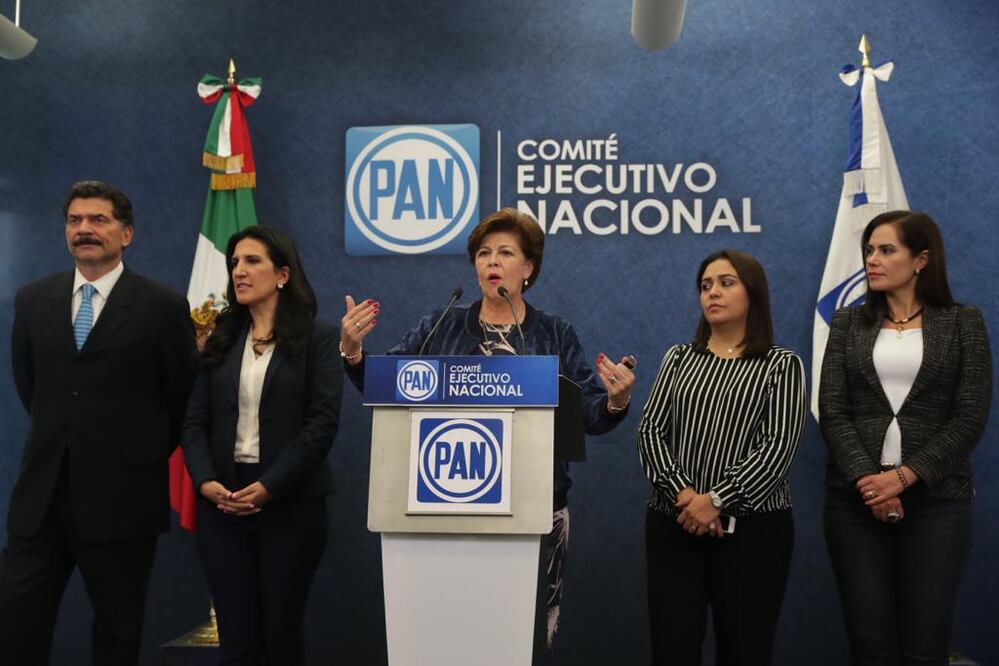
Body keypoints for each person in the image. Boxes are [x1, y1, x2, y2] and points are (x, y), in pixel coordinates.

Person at [339, 207, 635, 659]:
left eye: (505, 253)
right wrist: (354, 352)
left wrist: (615, 400)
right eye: (483, 253)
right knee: (449, 640)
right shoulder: (440, 325)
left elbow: (589, 414)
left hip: (535, 511)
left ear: (528, 267)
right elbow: (385, 382)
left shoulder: (554, 333)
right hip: (442, 511)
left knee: (520, 644)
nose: (492, 261)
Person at [0, 180, 198, 665]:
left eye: (98, 219)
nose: (84, 229)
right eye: (75, 220)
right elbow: (31, 386)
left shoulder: (162, 307)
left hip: (122, 503)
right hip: (41, 500)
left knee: (117, 634)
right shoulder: (33, 300)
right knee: (16, 628)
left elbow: (180, 400)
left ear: (126, 234)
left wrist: (129, 453)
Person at [819, 210, 992, 666]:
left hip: (937, 503)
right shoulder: (847, 323)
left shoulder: (963, 322)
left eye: (886, 250)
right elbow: (833, 409)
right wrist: (870, 482)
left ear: (921, 259)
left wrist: (904, 477)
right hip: (855, 503)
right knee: (870, 647)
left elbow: (970, 416)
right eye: (869, 251)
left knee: (924, 647)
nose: (872, 260)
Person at [181, 225, 342, 665]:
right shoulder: (219, 338)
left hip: (290, 504)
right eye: (234, 262)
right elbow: (193, 422)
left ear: (283, 274)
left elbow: (321, 424)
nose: (239, 271)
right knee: (237, 640)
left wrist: (271, 486)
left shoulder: (318, 338)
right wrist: (205, 482)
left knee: (279, 637)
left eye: (252, 261)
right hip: (223, 502)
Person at [638, 249, 806, 666]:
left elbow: (777, 448)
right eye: (706, 285)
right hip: (674, 524)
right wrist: (687, 497)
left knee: (745, 651)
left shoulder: (781, 365)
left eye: (726, 283)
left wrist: (715, 500)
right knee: (673, 650)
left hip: (754, 533)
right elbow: (650, 432)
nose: (713, 292)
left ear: (753, 293)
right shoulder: (679, 358)